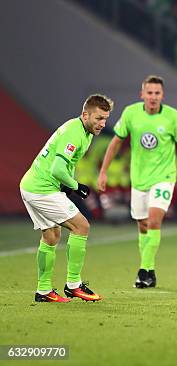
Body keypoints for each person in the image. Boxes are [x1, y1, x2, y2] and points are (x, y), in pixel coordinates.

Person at [97, 75, 177, 288]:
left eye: (157, 93)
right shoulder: (131, 113)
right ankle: (150, 269)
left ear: (162, 95)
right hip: (139, 180)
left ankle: (143, 271)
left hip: (164, 178)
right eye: (149, 93)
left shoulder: (172, 116)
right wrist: (103, 171)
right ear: (142, 94)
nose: (153, 97)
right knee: (143, 225)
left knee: (154, 220)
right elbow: (116, 142)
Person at [20, 94, 114, 302]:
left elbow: (63, 165)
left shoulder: (82, 131)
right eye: (98, 118)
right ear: (85, 114)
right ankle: (73, 284)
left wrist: (67, 183)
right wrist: (76, 186)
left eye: (105, 119)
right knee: (82, 226)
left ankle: (43, 290)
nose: (102, 124)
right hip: (42, 188)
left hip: (32, 185)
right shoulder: (75, 133)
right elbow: (58, 168)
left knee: (51, 236)